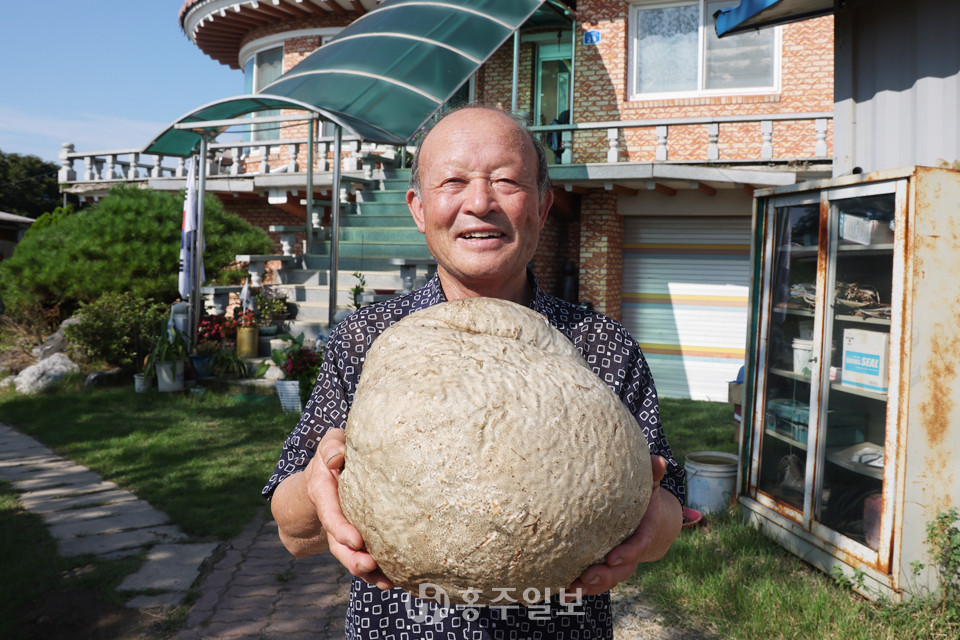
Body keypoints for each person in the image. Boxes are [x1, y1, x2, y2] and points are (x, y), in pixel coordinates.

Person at [263, 104, 684, 639]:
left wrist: (647, 530)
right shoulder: (366, 340)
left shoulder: (603, 346)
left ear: (543, 206)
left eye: (507, 181)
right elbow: (293, 532)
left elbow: (669, 509)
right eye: (453, 182)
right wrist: (319, 486)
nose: (480, 203)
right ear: (419, 209)